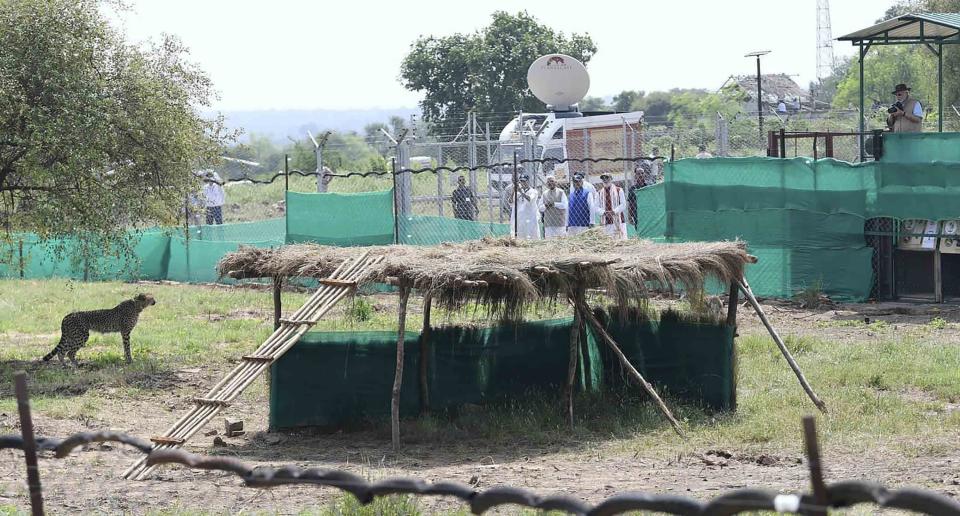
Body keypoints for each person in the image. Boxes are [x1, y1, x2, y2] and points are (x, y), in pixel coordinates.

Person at [507, 173, 541, 240]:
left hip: (530, 217)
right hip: (520, 217)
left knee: (531, 235)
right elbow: (510, 201)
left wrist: (521, 192)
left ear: (528, 181)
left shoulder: (533, 191)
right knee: (520, 235)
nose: (523, 183)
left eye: (524, 181)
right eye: (521, 181)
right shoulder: (517, 192)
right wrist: (513, 191)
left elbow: (530, 199)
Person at [596, 174, 627, 240]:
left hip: (619, 220)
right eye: (603, 178)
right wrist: (604, 212)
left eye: (607, 178)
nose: (605, 180)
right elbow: (596, 207)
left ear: (611, 179)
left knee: (621, 241)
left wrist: (614, 211)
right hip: (605, 222)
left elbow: (623, 205)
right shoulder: (599, 193)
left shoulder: (619, 190)